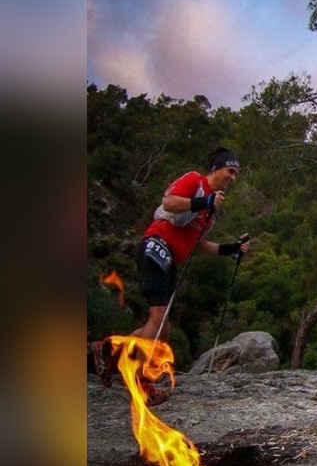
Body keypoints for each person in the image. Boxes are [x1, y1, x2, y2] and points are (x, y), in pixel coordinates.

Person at [90, 147, 251, 403]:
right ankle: (140, 380)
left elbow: (198, 243)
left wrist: (231, 249)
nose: (233, 177)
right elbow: (169, 202)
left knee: (162, 324)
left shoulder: (211, 211)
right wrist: (205, 202)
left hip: (170, 259)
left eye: (236, 174)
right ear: (216, 168)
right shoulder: (194, 182)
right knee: (159, 320)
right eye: (230, 171)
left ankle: (108, 351)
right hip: (156, 246)